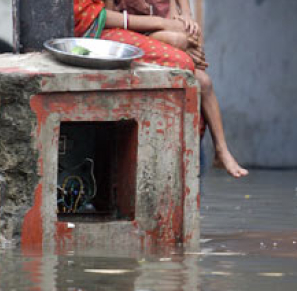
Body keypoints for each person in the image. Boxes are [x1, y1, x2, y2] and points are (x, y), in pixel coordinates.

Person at [74, 0, 248, 178]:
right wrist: (168, 30)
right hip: (132, 30)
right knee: (182, 48)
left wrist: (184, 18)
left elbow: (180, 19)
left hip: (156, 28)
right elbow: (106, 19)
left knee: (203, 80)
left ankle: (220, 149)